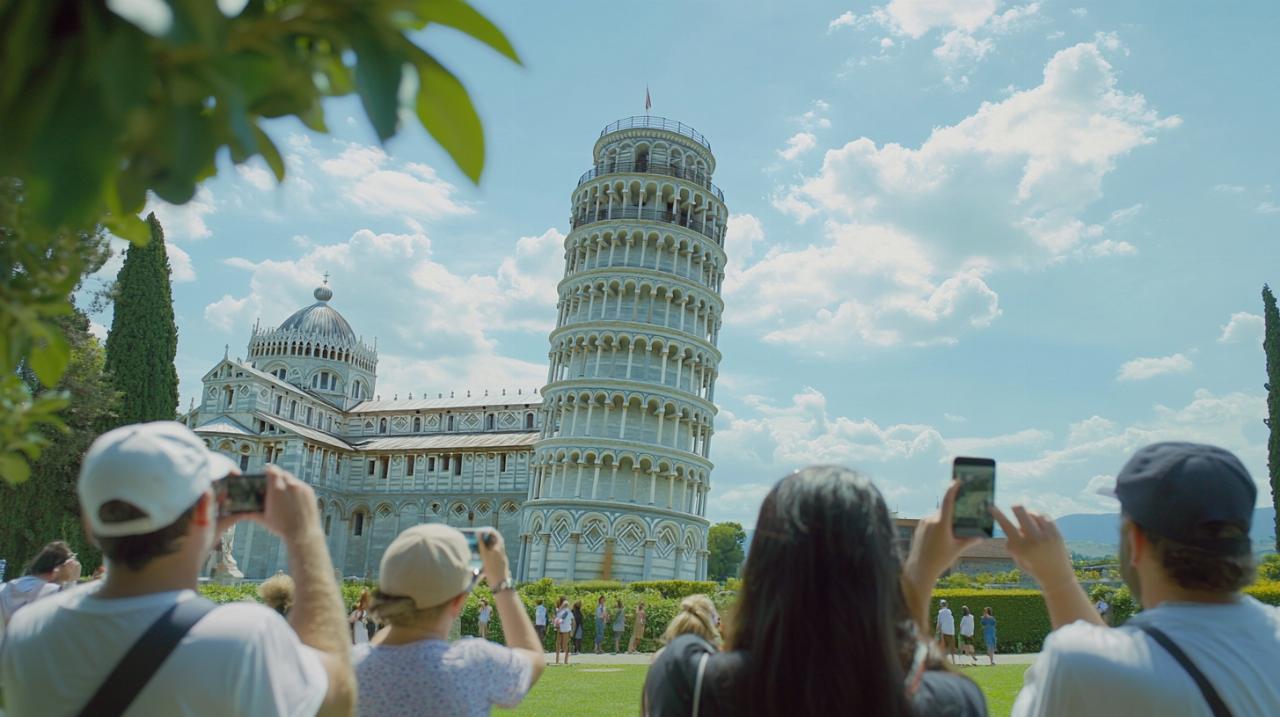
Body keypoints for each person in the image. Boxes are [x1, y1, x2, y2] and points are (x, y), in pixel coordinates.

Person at [0, 421, 354, 716]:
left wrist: (201, 523)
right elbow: (338, 697)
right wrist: (305, 535)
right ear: (204, 512)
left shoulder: (28, 631)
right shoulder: (243, 637)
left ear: (91, 526)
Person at [643, 465, 988, 717]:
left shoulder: (692, 683)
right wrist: (919, 577)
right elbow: (914, 675)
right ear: (881, 578)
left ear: (759, 571)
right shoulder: (953, 703)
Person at [998, 442, 1280, 717]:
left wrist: (1057, 579)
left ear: (1135, 541)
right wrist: (1059, 581)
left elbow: (1102, 664)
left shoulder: (1079, 663)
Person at [352, 523, 545, 716]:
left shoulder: (347, 667)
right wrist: (500, 580)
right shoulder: (473, 663)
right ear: (457, 602)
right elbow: (532, 659)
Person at [0, 540, 81, 627]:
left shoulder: (7, 587)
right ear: (57, 569)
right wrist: (72, 579)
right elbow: (68, 620)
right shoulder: (49, 592)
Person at [936, 599, 956, 663]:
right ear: (946, 605)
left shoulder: (940, 612)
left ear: (941, 605)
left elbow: (939, 624)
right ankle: (953, 661)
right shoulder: (949, 612)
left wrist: (936, 631)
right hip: (952, 631)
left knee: (943, 646)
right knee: (951, 646)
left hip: (944, 631)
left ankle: (944, 661)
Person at [555, 597, 573, 664]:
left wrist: (571, 631)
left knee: (564, 645)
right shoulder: (559, 611)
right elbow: (557, 619)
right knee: (558, 644)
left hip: (566, 629)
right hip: (560, 628)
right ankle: (557, 661)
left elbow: (571, 621)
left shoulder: (567, 611)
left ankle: (566, 661)